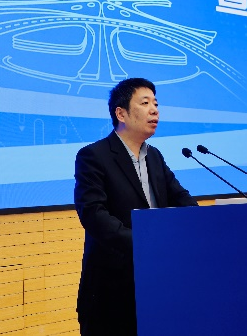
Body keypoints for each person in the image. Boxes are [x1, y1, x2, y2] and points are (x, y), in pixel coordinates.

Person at [74, 77, 197, 336]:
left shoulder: (154, 156)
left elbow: (181, 198)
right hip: (112, 292)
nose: (154, 110)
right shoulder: (94, 156)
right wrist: (145, 244)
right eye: (145, 103)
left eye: (156, 104)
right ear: (121, 113)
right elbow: (94, 215)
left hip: (157, 284)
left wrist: (204, 224)